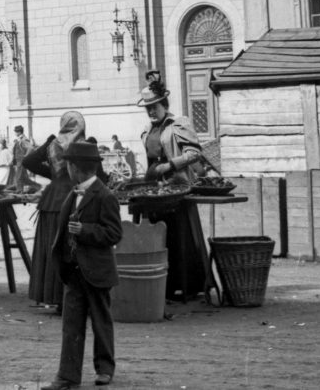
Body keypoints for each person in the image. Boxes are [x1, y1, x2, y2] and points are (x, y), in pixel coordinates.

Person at [44, 141, 122, 390]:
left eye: (68, 165)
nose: (67, 169)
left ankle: (105, 369)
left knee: (101, 321)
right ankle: (67, 376)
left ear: (76, 168)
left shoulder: (105, 195)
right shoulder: (73, 192)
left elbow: (114, 233)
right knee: (71, 324)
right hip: (74, 269)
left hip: (97, 271)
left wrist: (86, 230)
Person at [135, 71, 206, 300]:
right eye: (148, 108)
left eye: (155, 107)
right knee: (158, 235)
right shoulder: (147, 130)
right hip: (156, 191)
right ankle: (162, 285)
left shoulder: (179, 124)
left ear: (164, 104)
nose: (151, 111)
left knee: (179, 236)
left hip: (178, 188)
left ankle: (187, 285)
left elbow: (194, 153)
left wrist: (170, 166)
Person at [22, 112, 90, 312]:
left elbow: (28, 162)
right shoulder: (84, 145)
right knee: (70, 249)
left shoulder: (53, 145)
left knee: (51, 248)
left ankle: (54, 297)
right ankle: (70, 298)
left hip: (51, 200)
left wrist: (53, 173)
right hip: (74, 199)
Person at [12, 125, 41, 193]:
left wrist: (25, 156)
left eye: (15, 132)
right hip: (19, 161)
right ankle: (38, 186)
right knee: (24, 178)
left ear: (19, 132)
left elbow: (30, 148)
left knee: (19, 176)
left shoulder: (24, 139)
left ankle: (19, 190)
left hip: (21, 161)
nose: (15, 133)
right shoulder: (19, 139)